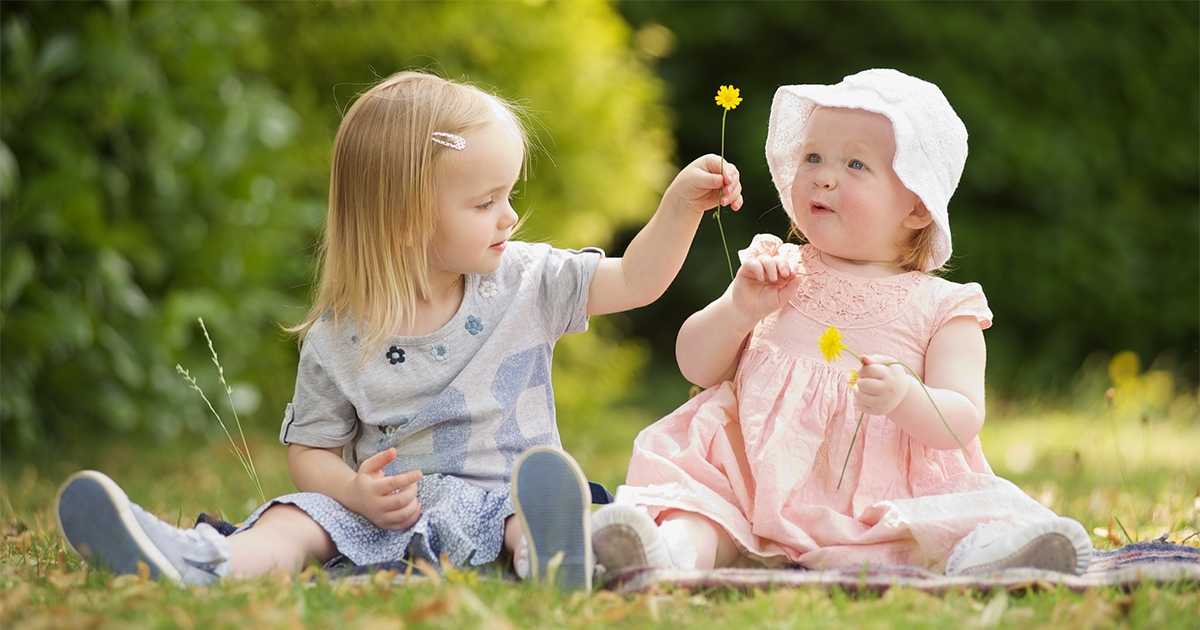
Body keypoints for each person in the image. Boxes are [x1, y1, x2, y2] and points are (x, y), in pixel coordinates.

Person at [55, 70, 743, 591]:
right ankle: (200, 561)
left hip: (507, 492)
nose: (510, 217)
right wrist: (353, 494)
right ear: (407, 218)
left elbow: (638, 280)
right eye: (485, 202)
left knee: (531, 510)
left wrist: (678, 207)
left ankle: (558, 558)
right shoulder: (340, 335)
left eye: (507, 196)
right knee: (296, 519)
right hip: (387, 512)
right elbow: (313, 452)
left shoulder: (525, 280)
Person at [591, 69, 1093, 577]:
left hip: (887, 493)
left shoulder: (944, 306)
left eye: (855, 163)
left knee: (951, 520)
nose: (823, 175)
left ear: (917, 205)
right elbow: (696, 365)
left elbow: (961, 417)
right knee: (702, 504)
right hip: (754, 480)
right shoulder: (777, 267)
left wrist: (906, 397)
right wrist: (740, 309)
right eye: (813, 157)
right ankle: (669, 550)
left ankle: (993, 553)